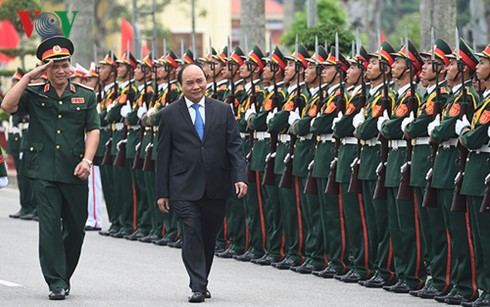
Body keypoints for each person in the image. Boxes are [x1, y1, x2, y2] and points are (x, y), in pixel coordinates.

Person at [1, 35, 100, 300]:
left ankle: (63, 273)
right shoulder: (33, 93)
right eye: (53, 66)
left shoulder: (85, 96)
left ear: (70, 66)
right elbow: (7, 105)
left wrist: (87, 161)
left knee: (76, 227)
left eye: (64, 64)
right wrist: (27, 77)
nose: (60, 70)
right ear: (45, 70)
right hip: (42, 170)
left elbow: (93, 130)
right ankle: (56, 281)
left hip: (74, 169)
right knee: (49, 226)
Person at [156, 63, 247, 303]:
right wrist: (162, 192)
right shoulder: (168, 114)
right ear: (180, 86)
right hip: (183, 187)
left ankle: (202, 278)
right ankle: (197, 285)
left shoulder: (223, 110)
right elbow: (163, 156)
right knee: (192, 233)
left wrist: (240, 177)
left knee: (208, 237)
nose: (196, 86)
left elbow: (235, 147)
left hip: (216, 185)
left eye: (200, 81)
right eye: (189, 82)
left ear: (206, 81)